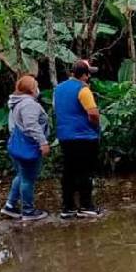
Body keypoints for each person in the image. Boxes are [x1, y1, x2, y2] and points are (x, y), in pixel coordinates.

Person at [54, 60, 102, 219]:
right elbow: (93, 113)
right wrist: (96, 126)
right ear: (85, 75)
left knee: (69, 171)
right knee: (85, 171)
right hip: (83, 136)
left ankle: (67, 207)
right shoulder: (83, 90)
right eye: (88, 74)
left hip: (65, 136)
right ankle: (86, 206)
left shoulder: (58, 89)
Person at [2, 75, 50, 221]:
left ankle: (10, 205)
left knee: (21, 176)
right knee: (28, 179)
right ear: (31, 89)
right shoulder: (28, 104)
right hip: (29, 145)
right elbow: (31, 125)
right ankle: (28, 210)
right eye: (36, 86)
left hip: (18, 144)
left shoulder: (17, 102)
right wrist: (43, 142)